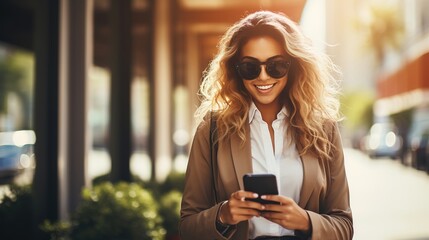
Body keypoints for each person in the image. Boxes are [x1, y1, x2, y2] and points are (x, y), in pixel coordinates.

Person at [179, 10, 353, 240]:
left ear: (293, 66)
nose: (262, 76)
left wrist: (305, 221)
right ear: (236, 69)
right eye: (250, 66)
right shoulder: (212, 129)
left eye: (276, 65)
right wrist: (223, 215)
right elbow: (187, 227)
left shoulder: (323, 128)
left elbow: (344, 226)